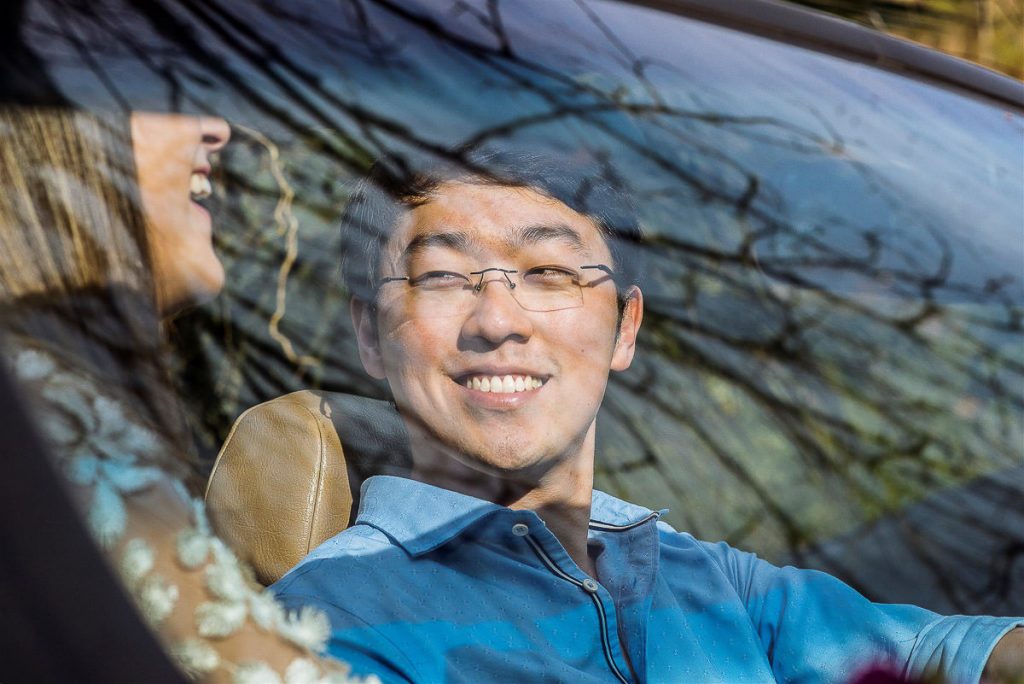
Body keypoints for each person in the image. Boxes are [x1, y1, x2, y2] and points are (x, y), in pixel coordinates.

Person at [270, 151, 1024, 683]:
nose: (498, 319)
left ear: (625, 328)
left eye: (550, 273)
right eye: (441, 277)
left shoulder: (707, 578)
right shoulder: (324, 625)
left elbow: (945, 654)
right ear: (369, 333)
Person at [0, 107, 374, 683]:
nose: (218, 128)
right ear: (48, 138)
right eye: (155, 93)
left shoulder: (57, 408)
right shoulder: (47, 422)